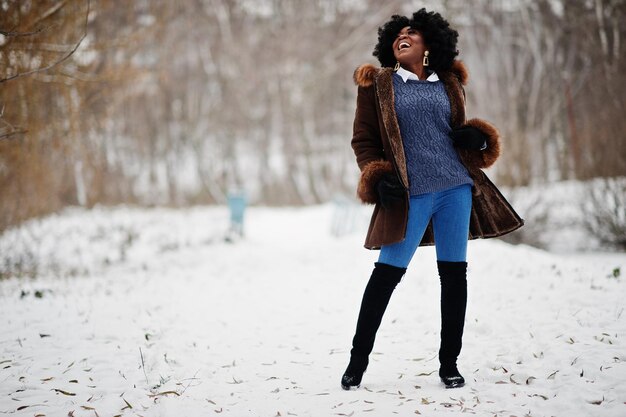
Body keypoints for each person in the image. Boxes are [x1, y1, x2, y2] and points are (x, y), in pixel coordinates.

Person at [341, 9, 523, 390]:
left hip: (456, 188)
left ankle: (449, 364)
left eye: (412, 32)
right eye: (397, 34)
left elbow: (455, 130)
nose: (402, 36)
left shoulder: (450, 82)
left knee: (454, 275)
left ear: (430, 44)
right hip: (411, 194)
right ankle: (357, 362)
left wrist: (476, 137)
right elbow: (363, 141)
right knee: (386, 275)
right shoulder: (379, 84)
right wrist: (376, 177)